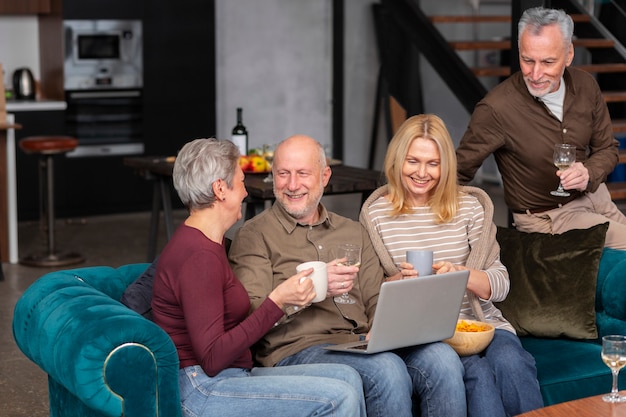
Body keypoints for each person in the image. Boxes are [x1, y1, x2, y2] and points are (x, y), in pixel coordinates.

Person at [229, 134, 466, 417]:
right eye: (283, 174)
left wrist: (401, 307)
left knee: (443, 359)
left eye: (303, 173)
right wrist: (314, 288)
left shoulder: (352, 231)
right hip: (297, 349)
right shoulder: (254, 235)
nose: (292, 185)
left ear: (324, 176)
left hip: (360, 342)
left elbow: (376, 299)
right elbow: (250, 316)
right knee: (386, 370)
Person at [151, 138, 366, 417]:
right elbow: (213, 358)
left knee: (348, 377)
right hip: (201, 388)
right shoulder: (198, 256)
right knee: (339, 396)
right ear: (220, 189)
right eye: (240, 182)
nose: (245, 192)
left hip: (230, 374)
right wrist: (277, 301)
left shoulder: (209, 243)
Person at [360, 114, 544, 416]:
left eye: (433, 163)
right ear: (397, 161)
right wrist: (395, 282)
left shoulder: (469, 207)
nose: (422, 173)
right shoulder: (377, 215)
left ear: (446, 165)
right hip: (426, 333)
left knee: (512, 363)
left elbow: (500, 284)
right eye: (413, 161)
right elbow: (368, 293)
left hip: (483, 325)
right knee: (476, 376)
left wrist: (463, 275)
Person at [456, 6, 626, 249]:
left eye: (547, 62)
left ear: (568, 55)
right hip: (549, 218)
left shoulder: (586, 86)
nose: (535, 74)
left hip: (598, 199)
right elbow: (459, 171)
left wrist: (588, 173)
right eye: (527, 60)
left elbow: (608, 149)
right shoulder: (496, 108)